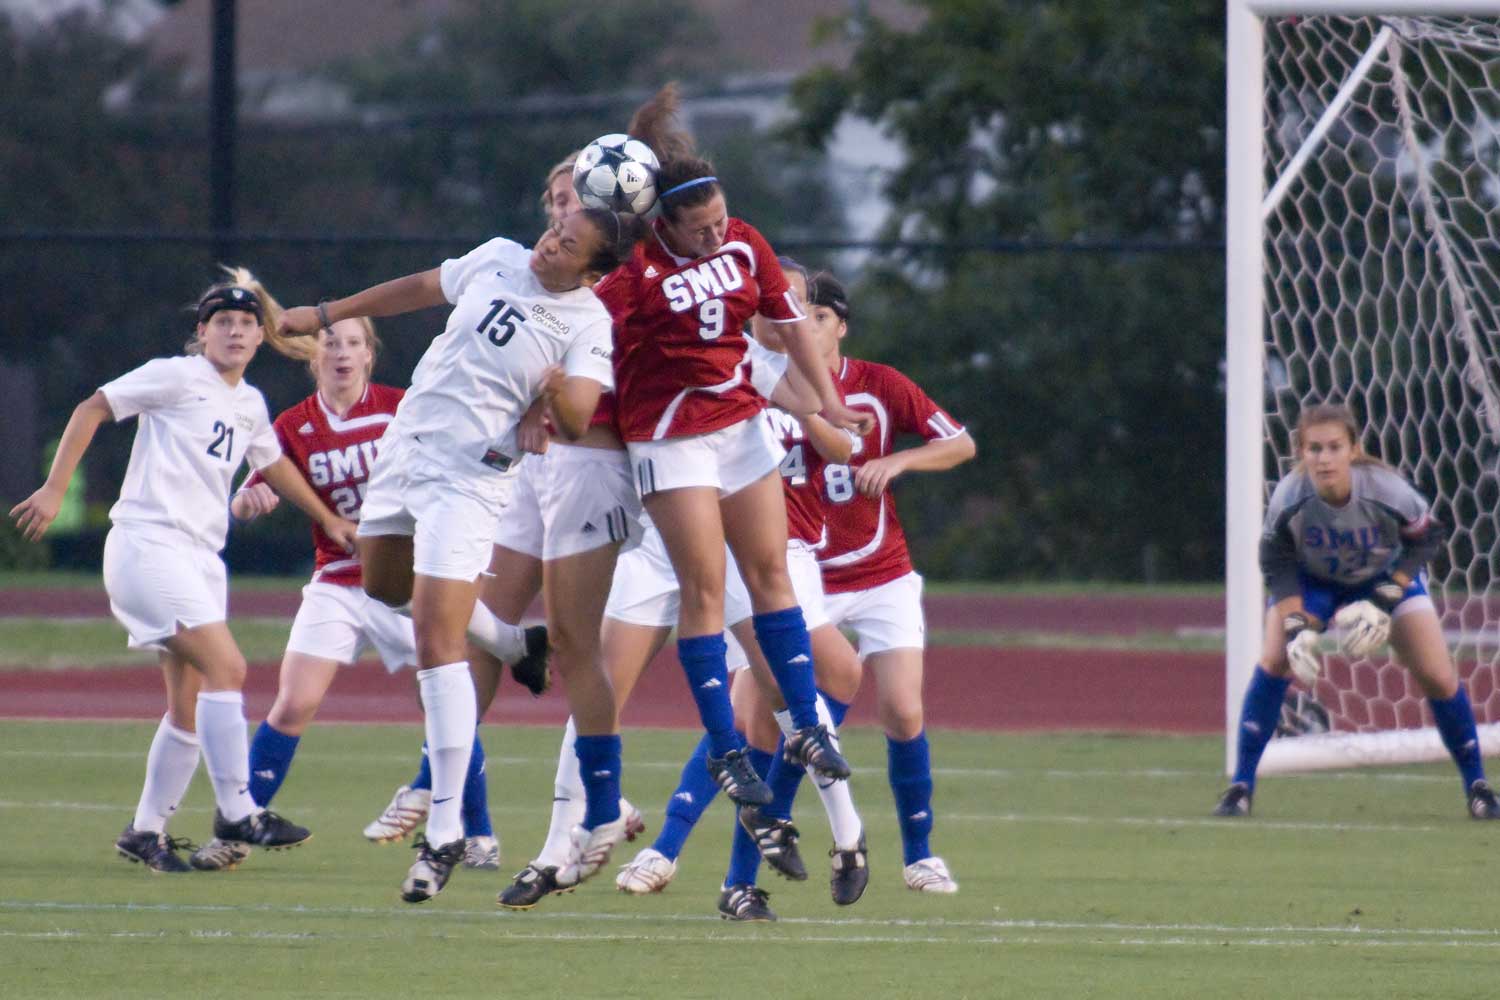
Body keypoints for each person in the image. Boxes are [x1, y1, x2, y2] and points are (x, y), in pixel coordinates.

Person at [279, 203, 640, 903]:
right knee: (383, 585)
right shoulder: (500, 254)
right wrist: (324, 313)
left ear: (592, 269)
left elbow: (575, 419)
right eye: (555, 230)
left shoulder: (589, 324)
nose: (550, 245)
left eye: (568, 246)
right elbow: (420, 287)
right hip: (407, 446)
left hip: (471, 479)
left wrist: (555, 391)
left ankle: (444, 829)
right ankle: (510, 641)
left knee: (435, 638)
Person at [9, 270, 348, 872]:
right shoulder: (177, 375)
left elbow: (274, 465)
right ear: (202, 332)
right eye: (223, 322)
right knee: (229, 667)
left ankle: (145, 831)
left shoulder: (249, 403)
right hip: (149, 545)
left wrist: (328, 518)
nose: (236, 332)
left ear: (259, 336)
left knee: (188, 704)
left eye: (246, 323)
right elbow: (92, 408)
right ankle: (237, 810)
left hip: (201, 558)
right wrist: (56, 488)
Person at [593, 84, 870, 807]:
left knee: (771, 572)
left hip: (738, 426)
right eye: (700, 229)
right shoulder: (636, 276)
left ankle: (806, 723)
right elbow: (574, 331)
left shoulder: (746, 241)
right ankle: (723, 745)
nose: (716, 235)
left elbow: (791, 328)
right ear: (665, 223)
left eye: (720, 219)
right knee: (707, 590)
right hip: (670, 438)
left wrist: (831, 402)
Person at [204, 314, 538, 873]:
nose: (342, 352)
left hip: (407, 580)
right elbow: (252, 489)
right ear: (314, 356)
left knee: (440, 700)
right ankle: (240, 826)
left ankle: (477, 833)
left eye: (353, 343)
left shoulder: (401, 408)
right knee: (293, 702)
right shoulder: (293, 424)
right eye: (331, 342)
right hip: (337, 581)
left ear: (369, 355)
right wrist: (245, 504)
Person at [615, 260, 869, 921]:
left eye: (805, 306)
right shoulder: (726, 359)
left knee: (791, 702)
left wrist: (806, 401)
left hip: (791, 558)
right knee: (775, 704)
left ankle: (729, 866)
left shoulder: (799, 379)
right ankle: (821, 840)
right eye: (781, 300)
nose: (791, 313)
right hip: (733, 557)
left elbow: (842, 448)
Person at [1216, 402, 1500, 820]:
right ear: (1301, 452)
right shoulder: (1290, 495)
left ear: (1353, 449)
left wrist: (1384, 599)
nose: (1324, 459)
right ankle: (1240, 787)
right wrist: (1295, 625)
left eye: (1334, 447)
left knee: (1438, 674)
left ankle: (1478, 787)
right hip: (1314, 580)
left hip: (1381, 577)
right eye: (1314, 449)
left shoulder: (1385, 489)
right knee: (1275, 658)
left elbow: (1426, 538)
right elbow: (1275, 558)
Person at [810, 269, 976, 894]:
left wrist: (900, 458)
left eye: (821, 317)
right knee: (797, 724)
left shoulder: (879, 384)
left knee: (904, 711)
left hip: (883, 573)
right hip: (805, 578)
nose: (809, 327)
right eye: (800, 317)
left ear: (841, 327)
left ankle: (920, 856)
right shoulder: (774, 387)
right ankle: (738, 858)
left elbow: (960, 444)